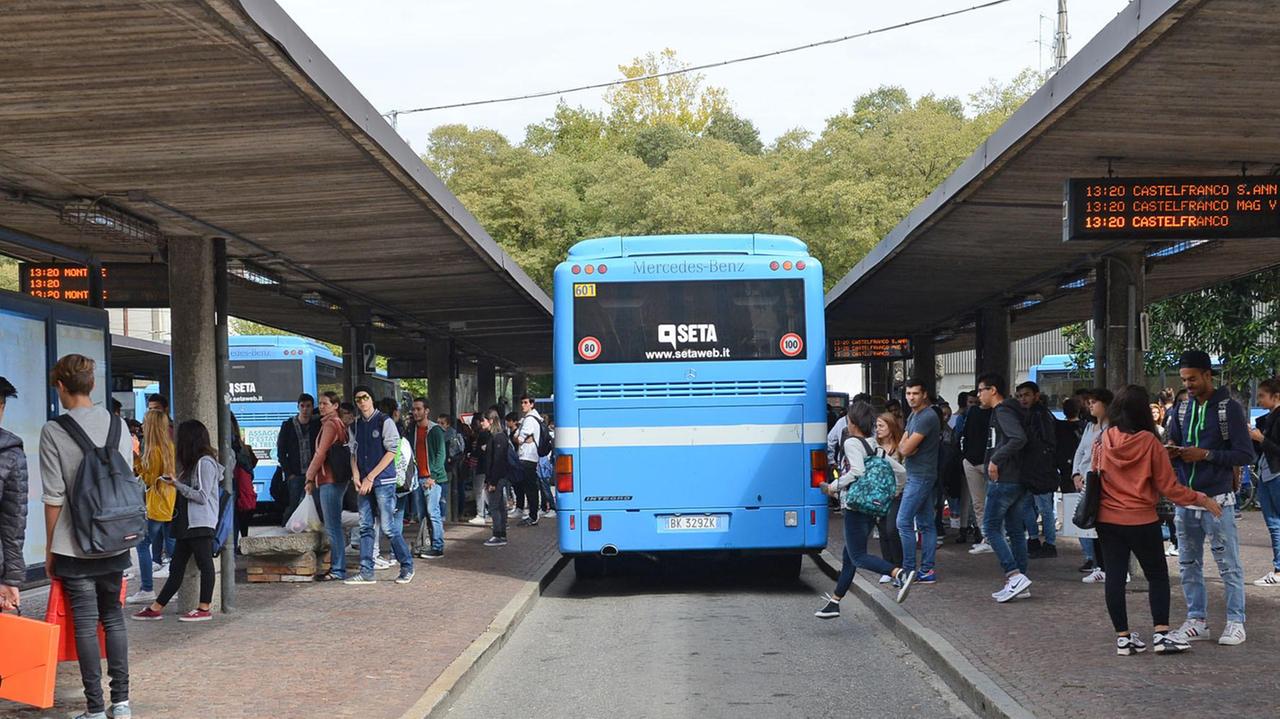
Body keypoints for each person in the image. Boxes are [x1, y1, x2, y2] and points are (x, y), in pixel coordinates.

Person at [40, 355, 135, 719]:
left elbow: (53, 497)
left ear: (61, 387)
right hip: (115, 536)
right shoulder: (118, 425)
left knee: (84, 622)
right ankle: (121, 703)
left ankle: (95, 709)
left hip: (73, 545)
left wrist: (50, 549)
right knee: (113, 617)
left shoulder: (54, 431)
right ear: (92, 385)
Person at [1095, 385, 1221, 655]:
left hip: (1107, 518)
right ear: (1144, 411)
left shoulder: (1104, 438)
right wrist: (1200, 498)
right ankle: (1162, 635)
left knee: (1114, 577)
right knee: (1157, 576)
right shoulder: (1150, 442)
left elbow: (1095, 475)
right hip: (1141, 519)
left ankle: (1123, 638)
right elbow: (1170, 487)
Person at [1166, 350, 1255, 646]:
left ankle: (1235, 621)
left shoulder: (1229, 409)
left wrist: (1204, 455)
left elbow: (1245, 454)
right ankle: (1196, 619)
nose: (1188, 385)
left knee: (1228, 564)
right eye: (1184, 380)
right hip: (1186, 500)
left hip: (1218, 500)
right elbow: (1175, 443)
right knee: (1188, 563)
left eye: (1192, 379)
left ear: (1208, 375)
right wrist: (1173, 452)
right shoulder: (1181, 409)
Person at [815, 400, 915, 618]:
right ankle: (834, 602)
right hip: (871, 508)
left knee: (858, 556)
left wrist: (832, 487)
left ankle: (899, 573)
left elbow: (857, 472)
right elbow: (901, 471)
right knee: (849, 556)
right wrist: (892, 492)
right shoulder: (873, 444)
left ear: (852, 422)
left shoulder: (852, 443)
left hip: (855, 505)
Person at [131, 420, 222, 623]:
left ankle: (204, 607)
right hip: (188, 523)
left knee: (205, 564)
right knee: (176, 567)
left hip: (200, 522)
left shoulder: (204, 462)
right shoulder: (193, 464)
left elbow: (202, 496)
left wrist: (177, 485)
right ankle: (156, 607)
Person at [345, 386, 413, 584]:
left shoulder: (385, 421)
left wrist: (370, 477)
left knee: (388, 527)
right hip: (364, 481)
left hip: (383, 481)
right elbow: (353, 453)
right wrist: (356, 475)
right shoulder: (355, 426)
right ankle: (367, 571)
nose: (362, 402)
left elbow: (391, 452)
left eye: (365, 397)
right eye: (358, 399)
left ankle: (407, 565)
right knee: (365, 526)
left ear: (371, 399)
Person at [975, 372, 1032, 603]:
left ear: (993, 390)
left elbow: (1017, 438)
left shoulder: (1002, 411)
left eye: (981, 390)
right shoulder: (1012, 410)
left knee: (990, 528)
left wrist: (996, 460)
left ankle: (1013, 575)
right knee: (1016, 530)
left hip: (1005, 477)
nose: (978, 395)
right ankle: (1020, 581)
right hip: (1018, 477)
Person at [125, 410, 175, 605]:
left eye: (145, 423)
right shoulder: (169, 447)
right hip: (169, 503)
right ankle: (176, 587)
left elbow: (147, 478)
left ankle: (147, 588)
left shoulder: (154, 450)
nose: (142, 427)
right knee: (173, 546)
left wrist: (136, 454)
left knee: (143, 544)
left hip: (156, 504)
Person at [896, 379, 941, 584]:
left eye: (915, 393)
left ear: (924, 394)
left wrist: (907, 447)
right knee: (925, 524)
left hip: (920, 475)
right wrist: (907, 447)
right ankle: (927, 570)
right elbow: (903, 445)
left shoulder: (927, 417)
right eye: (908, 394)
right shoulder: (915, 415)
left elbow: (903, 449)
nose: (911, 398)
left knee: (903, 521)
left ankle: (908, 570)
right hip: (919, 474)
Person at [305, 391, 349, 580]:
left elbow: (321, 453)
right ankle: (338, 567)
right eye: (320, 403)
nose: (321, 407)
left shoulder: (331, 424)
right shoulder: (337, 423)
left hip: (329, 479)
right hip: (335, 479)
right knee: (334, 524)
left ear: (335, 406)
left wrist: (309, 477)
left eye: (325, 403)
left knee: (332, 526)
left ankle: (338, 569)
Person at [1073, 389, 1114, 581]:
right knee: (1092, 523)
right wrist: (1076, 474)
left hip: (1099, 480)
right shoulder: (1090, 427)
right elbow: (1080, 452)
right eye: (1089, 402)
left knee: (1101, 522)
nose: (1090, 406)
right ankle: (1100, 565)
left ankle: (1108, 567)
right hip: (1085, 478)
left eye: (1094, 402)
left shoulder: (1112, 429)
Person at [1016, 381, 1058, 559]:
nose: (1023, 399)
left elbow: (1047, 442)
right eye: (1020, 396)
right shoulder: (1035, 414)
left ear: (1036, 395)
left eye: (1026, 395)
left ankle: (1047, 542)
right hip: (1031, 468)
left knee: (1043, 508)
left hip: (1039, 469)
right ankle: (1038, 540)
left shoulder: (1039, 416)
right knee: (1031, 506)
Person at [0, 376, 28, 613]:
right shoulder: (10, 453)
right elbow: (13, 522)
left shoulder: (10, 452)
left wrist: (11, 578)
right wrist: (11, 579)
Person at [1249, 377, 1280, 586]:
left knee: (1275, 523)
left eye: (1262, 396)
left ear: (1275, 396)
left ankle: (1278, 570)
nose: (1258, 400)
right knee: (1273, 523)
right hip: (1266, 473)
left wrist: (1261, 439)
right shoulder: (1268, 419)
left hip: (1275, 474)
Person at [408, 397, 447, 560]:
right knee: (422, 513)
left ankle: (438, 546)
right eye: (414, 409)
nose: (415, 412)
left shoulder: (435, 430)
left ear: (426, 411)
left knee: (433, 512)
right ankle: (427, 542)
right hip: (418, 478)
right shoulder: (412, 430)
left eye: (418, 409)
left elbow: (441, 454)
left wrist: (434, 477)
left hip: (431, 479)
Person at [276, 393, 319, 525]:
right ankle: (286, 528)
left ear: (312, 407)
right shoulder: (288, 425)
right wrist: (289, 474)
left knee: (315, 503)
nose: (305, 409)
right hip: (296, 473)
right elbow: (281, 451)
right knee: (293, 504)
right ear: (298, 407)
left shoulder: (317, 425)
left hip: (313, 473)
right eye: (302, 406)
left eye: (308, 406)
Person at [874, 412, 906, 577]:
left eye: (881, 425)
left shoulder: (900, 448)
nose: (877, 429)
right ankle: (888, 568)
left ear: (891, 427)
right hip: (879, 495)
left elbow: (904, 471)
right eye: (877, 425)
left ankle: (898, 566)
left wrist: (898, 489)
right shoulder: (874, 447)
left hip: (896, 494)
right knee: (882, 530)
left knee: (892, 529)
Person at [961, 393, 992, 554]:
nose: (980, 395)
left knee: (991, 502)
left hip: (988, 462)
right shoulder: (973, 412)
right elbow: (965, 434)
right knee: (978, 503)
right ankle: (986, 537)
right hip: (972, 460)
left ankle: (993, 538)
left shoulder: (998, 412)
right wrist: (965, 455)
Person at [480, 410, 513, 546]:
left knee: (495, 506)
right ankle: (500, 533)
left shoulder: (497, 437)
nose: (482, 423)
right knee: (499, 506)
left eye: (484, 420)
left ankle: (498, 534)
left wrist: (492, 481)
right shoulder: (499, 436)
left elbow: (498, 461)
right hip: (498, 477)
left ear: (491, 421)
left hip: (497, 478)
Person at [515, 394, 545, 526]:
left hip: (527, 456)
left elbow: (518, 439)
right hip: (532, 456)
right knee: (530, 487)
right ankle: (533, 513)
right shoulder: (535, 418)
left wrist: (519, 438)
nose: (523, 405)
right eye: (522, 402)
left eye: (526, 402)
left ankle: (533, 515)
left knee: (530, 487)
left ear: (532, 404)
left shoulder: (529, 420)